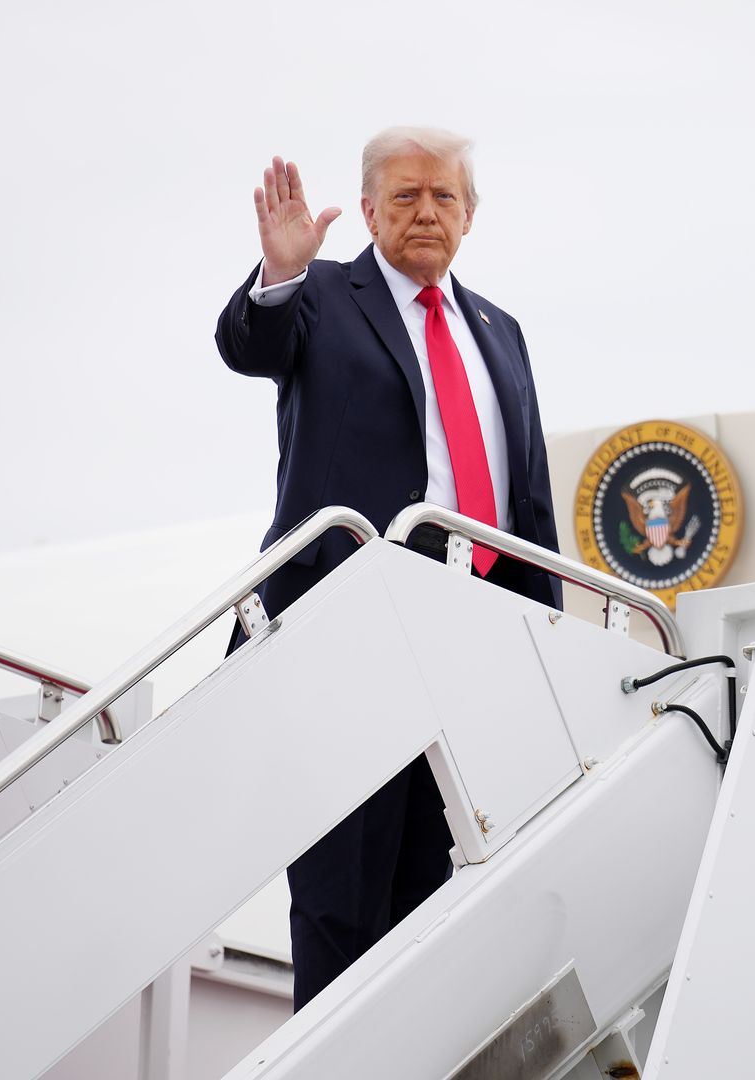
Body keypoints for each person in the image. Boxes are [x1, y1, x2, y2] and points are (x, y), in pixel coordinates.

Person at [215, 127, 561, 1011]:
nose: (425, 213)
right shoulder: (325, 296)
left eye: (444, 196)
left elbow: (527, 507)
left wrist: (547, 639)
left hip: (467, 638)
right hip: (351, 630)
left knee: (435, 895)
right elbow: (251, 344)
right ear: (367, 209)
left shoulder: (500, 330)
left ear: (471, 215)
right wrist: (283, 273)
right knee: (340, 892)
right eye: (403, 196)